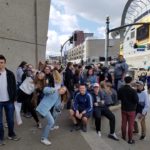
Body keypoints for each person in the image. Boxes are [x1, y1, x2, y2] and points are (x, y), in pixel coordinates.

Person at [0, 55, 20, 146]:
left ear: (5, 63)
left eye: (1, 62)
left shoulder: (10, 74)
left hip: (9, 101)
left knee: (11, 120)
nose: (0, 64)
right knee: (0, 122)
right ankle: (0, 138)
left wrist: (15, 99)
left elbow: (14, 87)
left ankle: (11, 134)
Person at [118, 76, 139, 144]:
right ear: (131, 81)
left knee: (123, 123)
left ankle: (123, 137)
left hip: (124, 108)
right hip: (131, 109)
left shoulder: (121, 89)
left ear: (125, 81)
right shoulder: (133, 91)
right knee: (130, 125)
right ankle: (130, 139)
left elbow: (119, 98)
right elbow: (136, 100)